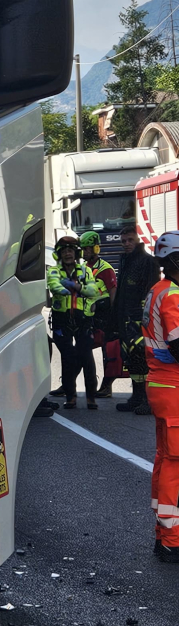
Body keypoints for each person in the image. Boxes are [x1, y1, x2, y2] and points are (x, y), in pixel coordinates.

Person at [140, 230, 179, 562]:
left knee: (166, 458)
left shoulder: (158, 290)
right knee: (175, 463)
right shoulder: (172, 295)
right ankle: (171, 539)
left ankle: (163, 534)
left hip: (161, 384)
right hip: (173, 385)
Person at [47, 235, 101, 409]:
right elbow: (54, 286)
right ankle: (71, 396)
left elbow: (93, 291)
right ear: (59, 254)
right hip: (61, 320)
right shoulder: (54, 271)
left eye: (71, 250)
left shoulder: (85, 271)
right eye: (64, 251)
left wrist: (77, 287)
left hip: (83, 320)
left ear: (76, 253)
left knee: (86, 357)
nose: (68, 254)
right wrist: (66, 288)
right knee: (67, 358)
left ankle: (91, 397)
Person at [114, 224, 161, 415]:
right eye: (123, 241)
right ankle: (136, 397)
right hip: (126, 318)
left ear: (138, 239)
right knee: (132, 360)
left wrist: (143, 318)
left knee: (143, 360)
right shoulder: (125, 260)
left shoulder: (147, 261)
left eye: (130, 240)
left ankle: (148, 401)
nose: (126, 244)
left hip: (140, 319)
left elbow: (152, 291)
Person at [79, 231, 118, 397]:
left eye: (87, 249)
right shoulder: (83, 268)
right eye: (82, 249)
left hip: (104, 316)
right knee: (83, 349)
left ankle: (106, 387)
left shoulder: (105, 269)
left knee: (107, 352)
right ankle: (73, 383)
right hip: (88, 316)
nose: (84, 252)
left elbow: (113, 292)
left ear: (95, 248)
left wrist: (113, 315)